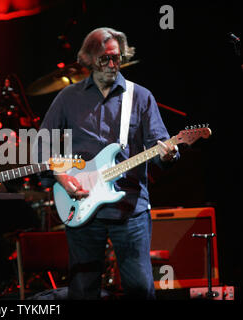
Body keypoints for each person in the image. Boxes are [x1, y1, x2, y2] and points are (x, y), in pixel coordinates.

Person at [36, 27, 179, 299]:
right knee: (83, 289)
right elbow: (43, 144)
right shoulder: (68, 98)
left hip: (130, 209)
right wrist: (62, 178)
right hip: (82, 205)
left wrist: (168, 153)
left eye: (117, 58)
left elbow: (160, 145)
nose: (112, 65)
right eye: (105, 58)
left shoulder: (140, 96)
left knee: (140, 288)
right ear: (89, 59)